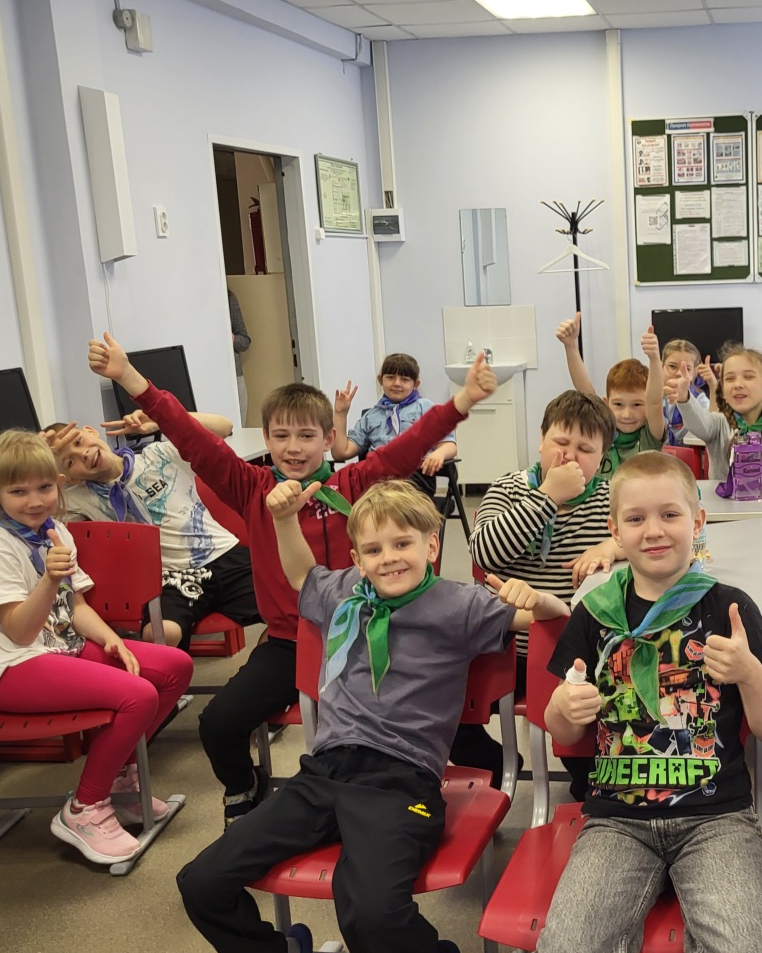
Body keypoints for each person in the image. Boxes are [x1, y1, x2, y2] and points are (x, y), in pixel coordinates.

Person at [177, 479, 568, 953]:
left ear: (432, 545)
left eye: (403, 543)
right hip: (322, 773)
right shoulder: (342, 592)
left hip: (400, 782)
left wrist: (540, 599)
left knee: (370, 915)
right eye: (374, 549)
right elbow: (301, 575)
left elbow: (552, 618)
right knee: (201, 882)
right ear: (357, 559)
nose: (390, 558)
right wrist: (285, 520)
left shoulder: (461, 604)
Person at [88, 329, 498, 825]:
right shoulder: (251, 486)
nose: (294, 447)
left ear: (328, 440)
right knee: (218, 723)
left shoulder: (352, 483)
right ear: (266, 440)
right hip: (291, 642)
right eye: (281, 436)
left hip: (371, 632)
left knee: (445, 724)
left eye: (306, 436)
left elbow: (407, 448)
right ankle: (245, 789)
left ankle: (497, 777)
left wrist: (461, 401)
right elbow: (193, 440)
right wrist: (128, 376)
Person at [534, 451, 762, 953]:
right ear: (615, 530)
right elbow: (562, 731)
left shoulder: (729, 608)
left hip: (715, 816)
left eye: (670, 515)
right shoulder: (594, 612)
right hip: (616, 818)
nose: (653, 530)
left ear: (697, 521)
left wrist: (750, 673)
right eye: (636, 518)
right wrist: (562, 707)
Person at [0, 430, 190, 864]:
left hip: (60, 646)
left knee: (172, 667)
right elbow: (20, 632)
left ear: (59, 485)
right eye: (18, 492)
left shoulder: (54, 530)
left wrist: (110, 638)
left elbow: (75, 606)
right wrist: (49, 579)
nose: (35, 501)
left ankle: (118, 778)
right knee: (138, 695)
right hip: (9, 665)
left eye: (44, 487)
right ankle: (84, 808)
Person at [460, 390, 624, 793]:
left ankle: (587, 778)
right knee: (438, 688)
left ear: (602, 457)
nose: (569, 456)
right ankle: (493, 760)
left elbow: (648, 538)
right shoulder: (509, 490)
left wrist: (611, 545)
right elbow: (485, 552)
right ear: (540, 441)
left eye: (585, 449)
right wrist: (548, 497)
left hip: (576, 651)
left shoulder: (610, 498)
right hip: (506, 646)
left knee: (593, 712)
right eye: (560, 442)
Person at [47, 410, 262, 651]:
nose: (83, 454)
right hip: (173, 578)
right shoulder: (78, 498)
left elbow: (224, 427)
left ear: (90, 431)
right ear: (69, 478)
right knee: (159, 634)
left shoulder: (158, 455)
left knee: (288, 604)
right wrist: (37, 452)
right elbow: (20, 501)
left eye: (78, 442)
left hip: (226, 555)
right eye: (70, 462)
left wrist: (161, 419)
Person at [673, 345, 762, 481]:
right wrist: (684, 398)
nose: (738, 385)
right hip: (725, 499)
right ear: (723, 390)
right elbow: (698, 423)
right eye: (730, 379)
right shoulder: (718, 424)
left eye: (748, 377)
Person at [329, 353, 460, 498]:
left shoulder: (424, 408)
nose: (397, 383)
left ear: (415, 384)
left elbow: (449, 445)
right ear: (380, 380)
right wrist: (340, 414)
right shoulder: (371, 416)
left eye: (404, 379)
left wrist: (439, 454)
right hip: (377, 477)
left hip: (414, 475)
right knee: (354, 485)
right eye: (390, 377)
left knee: (390, 495)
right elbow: (341, 452)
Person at [557, 311, 666, 471]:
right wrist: (571, 346)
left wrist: (655, 359)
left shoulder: (650, 436)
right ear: (606, 403)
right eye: (618, 404)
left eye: (637, 405)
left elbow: (655, 402)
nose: (627, 414)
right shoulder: (603, 429)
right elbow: (585, 392)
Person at [660, 337, 712, 447]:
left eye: (687, 369)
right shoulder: (655, 397)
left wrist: (713, 385)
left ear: (695, 372)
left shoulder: (700, 400)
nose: (679, 373)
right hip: (658, 454)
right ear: (661, 367)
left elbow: (711, 428)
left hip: (690, 454)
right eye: (672, 366)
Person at [230, 289, 251, 423]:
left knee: (239, 426)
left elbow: (245, 342)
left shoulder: (229, 298)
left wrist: (232, 338)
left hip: (235, 375)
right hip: (206, 376)